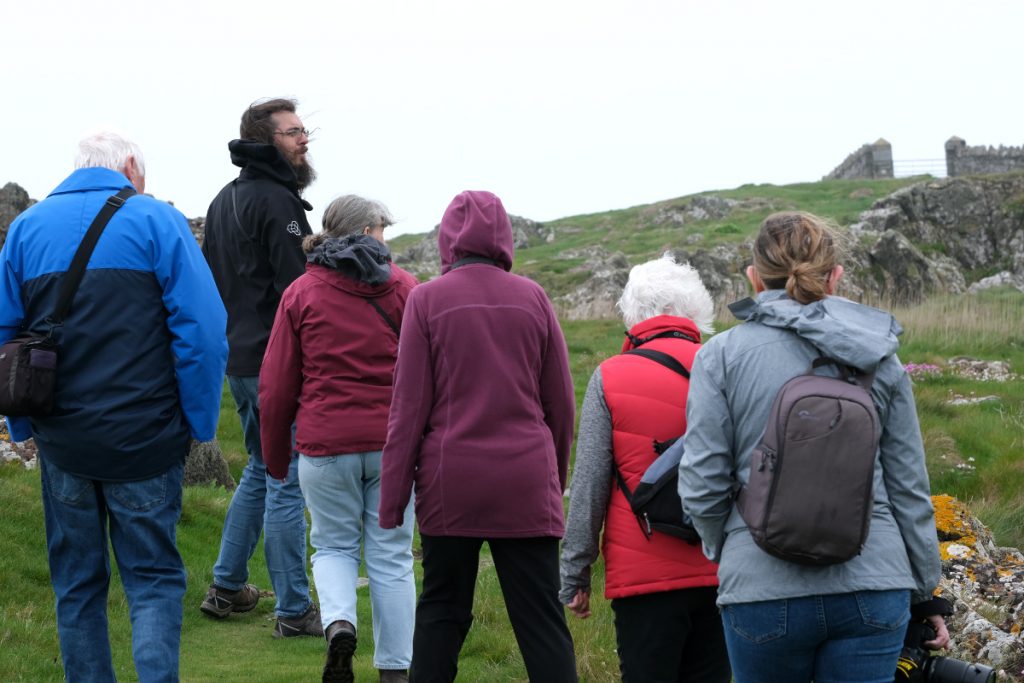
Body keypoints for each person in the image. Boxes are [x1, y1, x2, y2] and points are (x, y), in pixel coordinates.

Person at [679, 211, 950, 683]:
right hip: (874, 584)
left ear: (753, 276)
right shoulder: (880, 356)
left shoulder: (719, 356)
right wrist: (925, 590)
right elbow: (909, 487)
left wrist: (731, 549)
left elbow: (701, 484)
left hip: (761, 592)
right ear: (836, 276)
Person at [0, 131, 228, 682]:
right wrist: (198, 423)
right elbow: (204, 335)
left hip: (64, 442)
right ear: (129, 166)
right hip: (146, 439)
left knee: (76, 584)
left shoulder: (25, 230)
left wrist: (21, 423)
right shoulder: (157, 222)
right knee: (152, 581)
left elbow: (6, 336)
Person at [379, 190, 578, 683]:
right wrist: (552, 475)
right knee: (541, 622)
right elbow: (561, 404)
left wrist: (392, 500)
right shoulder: (533, 297)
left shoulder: (426, 299)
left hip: (452, 482)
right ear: (504, 238)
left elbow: (408, 410)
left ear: (449, 239)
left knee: (442, 613)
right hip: (526, 481)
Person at [260, 195, 418, 683]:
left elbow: (276, 385)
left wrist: (276, 455)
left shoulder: (302, 292)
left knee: (332, 547)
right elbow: (427, 376)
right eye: (381, 230)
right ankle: (395, 670)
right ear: (366, 231)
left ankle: (340, 624)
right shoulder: (406, 289)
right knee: (391, 556)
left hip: (325, 445)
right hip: (392, 446)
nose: (385, 240)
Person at [560, 254, 731, 683]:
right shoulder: (729, 364)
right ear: (696, 309)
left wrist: (575, 573)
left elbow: (590, 486)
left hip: (644, 580)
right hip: (724, 571)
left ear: (633, 314)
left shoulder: (611, 376)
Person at [200, 97, 321, 637]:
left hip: (238, 358)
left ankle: (226, 586)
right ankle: (294, 610)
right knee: (287, 477)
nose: (304, 140)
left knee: (259, 466)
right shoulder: (278, 202)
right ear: (265, 139)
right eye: (294, 132)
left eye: (304, 130)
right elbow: (302, 294)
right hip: (277, 363)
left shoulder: (224, 200)